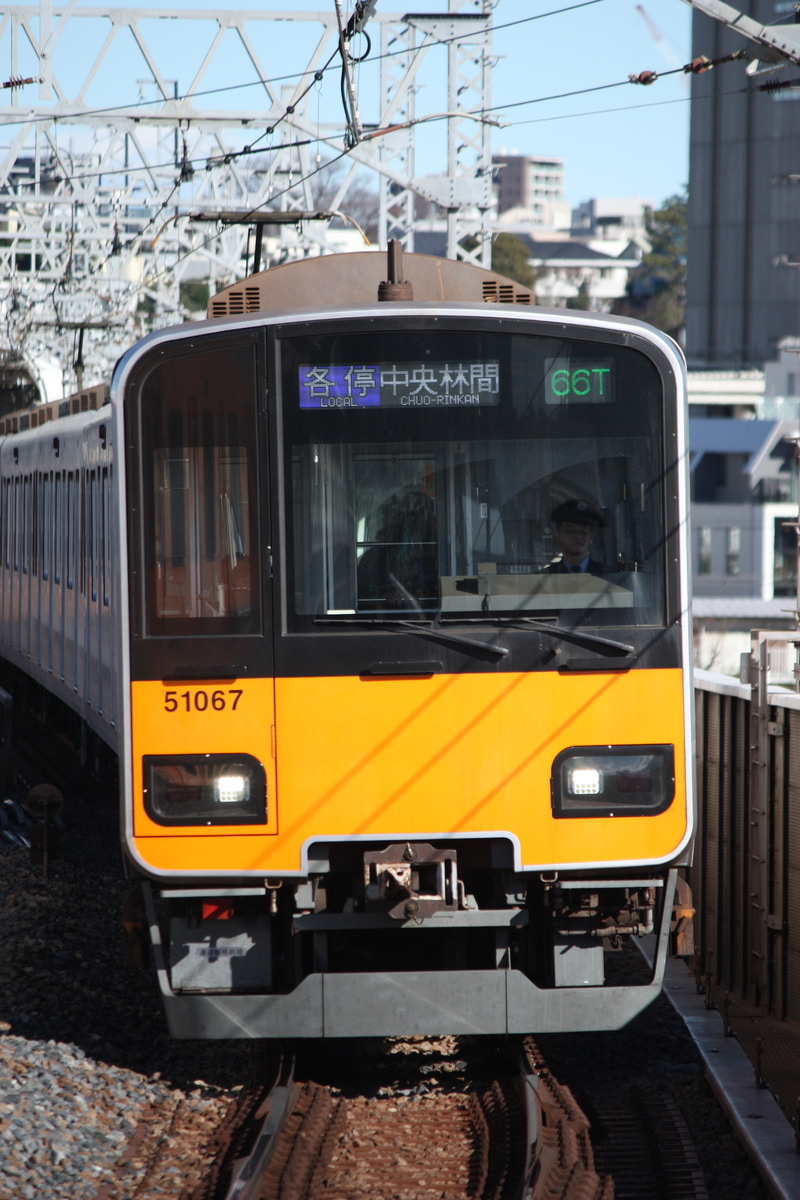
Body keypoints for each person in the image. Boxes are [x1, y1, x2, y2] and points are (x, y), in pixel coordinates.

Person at [543, 499, 605, 575]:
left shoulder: (608, 576)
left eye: (583, 532)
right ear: (557, 536)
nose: (578, 536)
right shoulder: (544, 577)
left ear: (591, 537)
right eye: (570, 531)